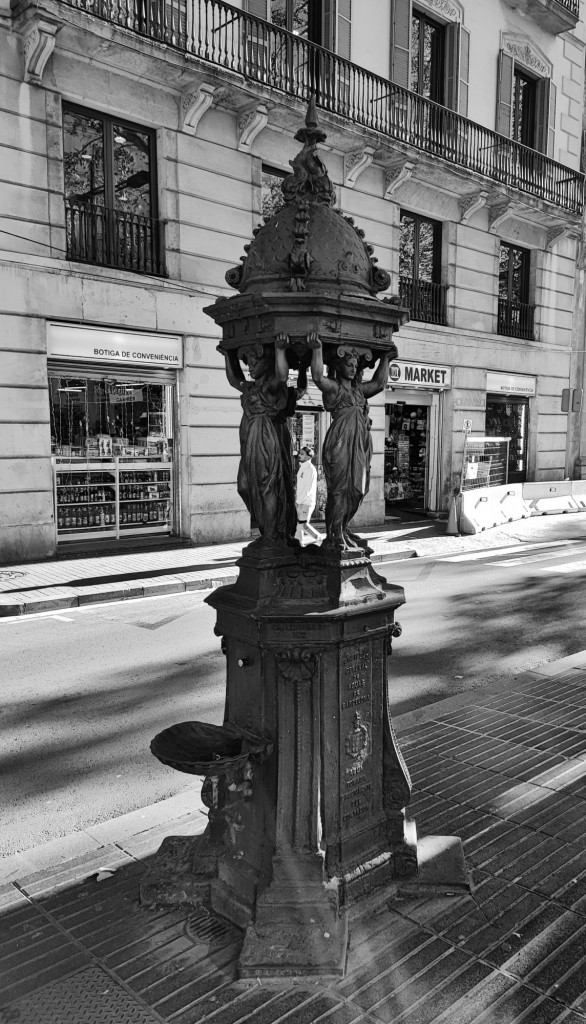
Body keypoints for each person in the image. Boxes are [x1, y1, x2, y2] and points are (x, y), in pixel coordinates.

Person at [311, 334, 395, 549]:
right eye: (349, 364)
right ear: (339, 366)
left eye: (355, 365)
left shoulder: (359, 392)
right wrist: (317, 349)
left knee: (358, 489)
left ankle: (343, 527)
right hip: (340, 443)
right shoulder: (335, 390)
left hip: (359, 445)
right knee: (339, 490)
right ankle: (334, 534)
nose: (352, 368)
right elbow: (319, 378)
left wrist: (386, 359)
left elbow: (378, 383)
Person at [222, 335, 297, 545]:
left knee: (267, 487)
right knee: (244, 486)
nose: (252, 367)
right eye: (250, 363)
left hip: (264, 441)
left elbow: (282, 377)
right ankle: (269, 528)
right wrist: (228, 355)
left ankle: (272, 535)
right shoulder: (249, 387)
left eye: (257, 362)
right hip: (249, 444)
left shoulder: (272, 386)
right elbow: (233, 379)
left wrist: (280, 350)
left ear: (268, 363)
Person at [295, 446, 321, 546]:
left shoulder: (310, 469)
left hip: (307, 501)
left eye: (302, 454)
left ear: (309, 457)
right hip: (301, 501)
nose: (299, 455)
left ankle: (318, 538)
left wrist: (298, 501)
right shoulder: (302, 467)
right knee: (299, 525)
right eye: (299, 453)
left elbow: (307, 488)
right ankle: (299, 544)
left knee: (303, 524)